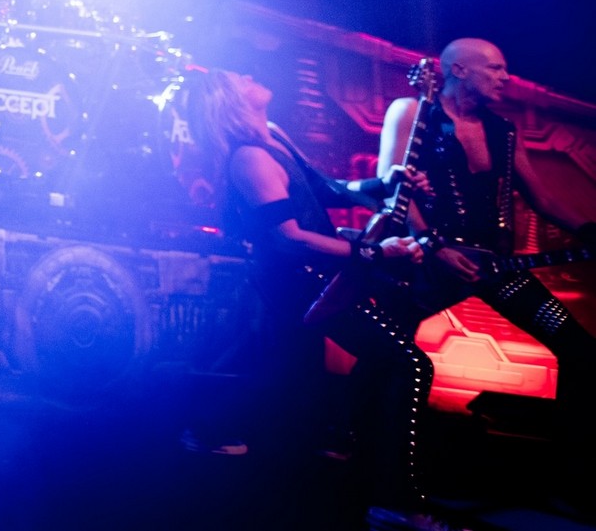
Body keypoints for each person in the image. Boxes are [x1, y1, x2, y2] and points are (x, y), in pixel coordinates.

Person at [180, 67, 473, 531]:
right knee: (407, 363)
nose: (248, 73)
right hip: (297, 285)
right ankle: (394, 500)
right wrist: (373, 252)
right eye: (238, 77)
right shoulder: (249, 160)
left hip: (316, 279)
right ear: (228, 99)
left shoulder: (272, 133)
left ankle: (221, 429)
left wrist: (384, 183)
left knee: (293, 374)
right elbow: (289, 238)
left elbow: (328, 189)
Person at [378, 39, 596, 484]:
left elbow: (542, 198)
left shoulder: (503, 130)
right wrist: (433, 246)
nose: (505, 77)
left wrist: (589, 230)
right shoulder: (413, 111)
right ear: (459, 70)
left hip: (493, 268)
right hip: (425, 262)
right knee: (390, 357)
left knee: (579, 349)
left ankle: (571, 476)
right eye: (496, 68)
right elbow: (390, 187)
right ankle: (377, 461)